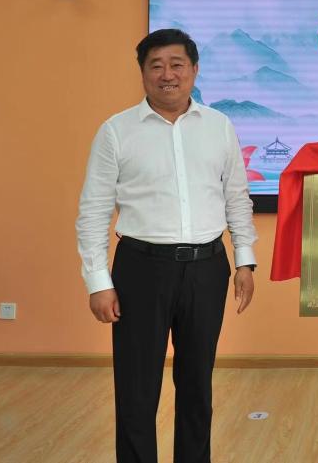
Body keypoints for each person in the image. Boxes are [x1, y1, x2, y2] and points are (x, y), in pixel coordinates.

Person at [76, 28, 257, 463]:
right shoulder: (116, 131)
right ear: (142, 73)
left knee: (197, 386)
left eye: (177, 64)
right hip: (141, 269)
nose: (167, 74)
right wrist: (98, 282)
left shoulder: (219, 127)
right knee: (136, 389)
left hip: (207, 267)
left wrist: (245, 261)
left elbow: (237, 198)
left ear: (194, 70)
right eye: (155, 66)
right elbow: (93, 211)